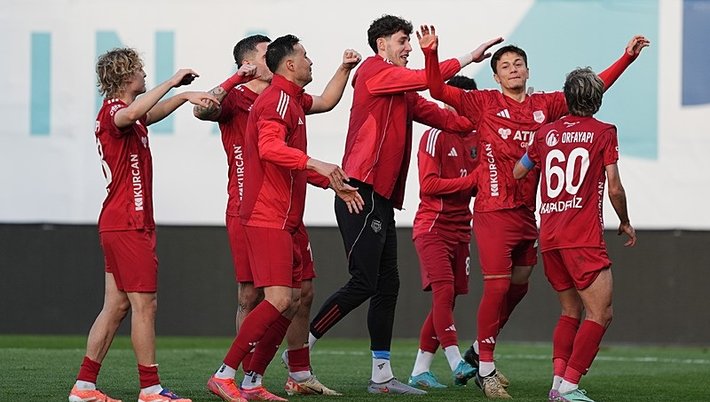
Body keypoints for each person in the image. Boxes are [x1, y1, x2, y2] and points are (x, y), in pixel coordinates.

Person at [419, 25, 649, 399]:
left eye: (518, 63)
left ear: (528, 70)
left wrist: (626, 58)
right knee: (497, 286)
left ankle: (477, 349)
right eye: (505, 65)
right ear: (496, 77)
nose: (512, 69)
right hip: (494, 209)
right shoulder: (483, 103)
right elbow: (436, 90)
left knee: (520, 285)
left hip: (530, 214)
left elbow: (591, 90)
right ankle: (486, 370)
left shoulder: (546, 106)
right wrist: (431, 55)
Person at [307, 15, 502, 395]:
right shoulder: (372, 70)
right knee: (364, 282)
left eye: (409, 42)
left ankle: (381, 376)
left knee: (388, 286)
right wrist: (467, 57)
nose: (409, 47)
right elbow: (426, 79)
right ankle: (301, 352)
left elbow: (448, 119)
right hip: (358, 192)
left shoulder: (402, 92)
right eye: (402, 41)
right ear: (381, 45)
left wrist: (493, 121)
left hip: (380, 199)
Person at [203, 34, 362, 402]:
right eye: (305, 55)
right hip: (266, 215)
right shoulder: (275, 100)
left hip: (287, 216)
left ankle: (252, 381)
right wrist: (316, 164)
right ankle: (225, 374)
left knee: (292, 299)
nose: (310, 61)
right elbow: (270, 148)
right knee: (274, 298)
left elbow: (289, 162)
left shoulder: (291, 99)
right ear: (289, 64)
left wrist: (330, 182)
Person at [68, 48, 217, 402]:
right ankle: (150, 389)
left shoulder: (126, 117)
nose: (145, 74)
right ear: (125, 76)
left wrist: (183, 96)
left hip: (122, 222)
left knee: (116, 306)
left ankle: (84, 386)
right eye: (139, 70)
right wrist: (173, 82)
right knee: (144, 305)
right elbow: (135, 112)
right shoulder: (115, 113)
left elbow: (147, 114)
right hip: (128, 223)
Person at [513, 67, 637, 402]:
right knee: (601, 313)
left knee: (570, 311)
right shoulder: (604, 131)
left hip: (550, 236)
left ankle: (557, 384)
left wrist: (536, 143)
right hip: (582, 237)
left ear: (567, 98)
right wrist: (625, 221)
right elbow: (614, 187)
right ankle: (568, 387)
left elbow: (519, 171)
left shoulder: (545, 133)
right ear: (597, 99)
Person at [407, 75, 479, 389]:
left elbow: (479, 185)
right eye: (456, 100)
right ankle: (455, 361)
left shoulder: (478, 138)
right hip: (433, 226)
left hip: (462, 228)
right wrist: (473, 180)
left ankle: (420, 370)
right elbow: (429, 185)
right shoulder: (434, 135)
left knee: (447, 300)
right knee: (444, 293)